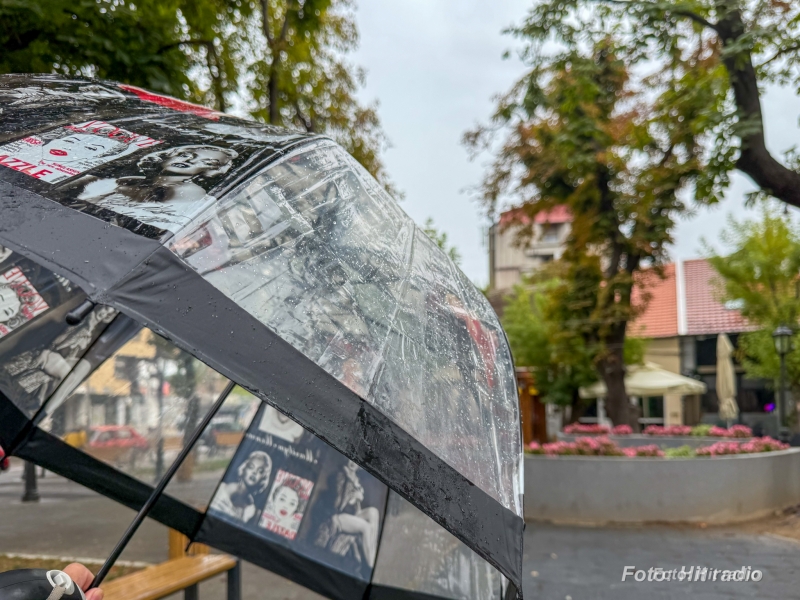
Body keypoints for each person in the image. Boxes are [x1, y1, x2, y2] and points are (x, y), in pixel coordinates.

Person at [78, 145, 238, 232]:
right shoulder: (121, 181)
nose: (190, 161)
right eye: (186, 154)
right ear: (169, 155)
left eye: (207, 162)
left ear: (210, 171)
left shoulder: (192, 193)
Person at [209, 450, 272, 524]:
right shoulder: (226, 488)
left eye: (260, 471)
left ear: (263, 478)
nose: (254, 472)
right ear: (244, 468)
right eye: (251, 467)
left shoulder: (251, 509)